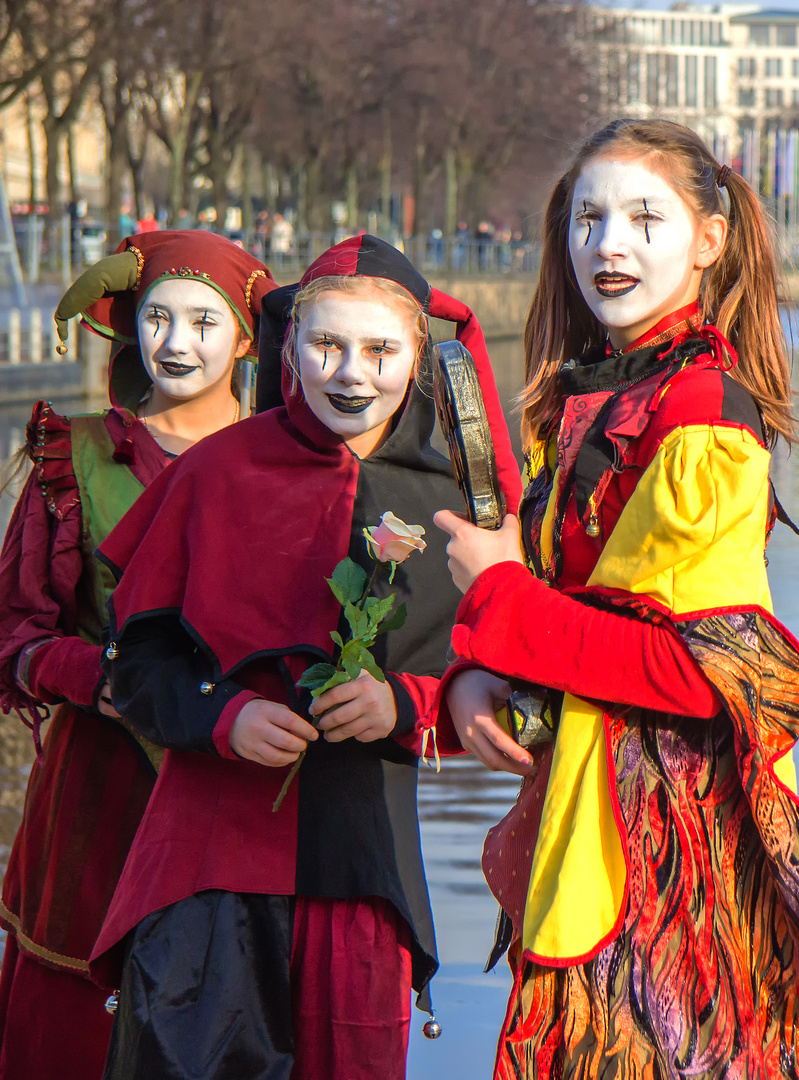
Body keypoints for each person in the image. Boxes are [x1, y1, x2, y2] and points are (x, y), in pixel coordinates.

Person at [433, 118, 799, 1079]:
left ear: (708, 242)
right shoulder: (592, 395)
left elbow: (692, 672)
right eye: (588, 218)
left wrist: (499, 602)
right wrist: (470, 675)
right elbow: (574, 603)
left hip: (675, 845)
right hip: (591, 814)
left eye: (643, 217)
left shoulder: (705, 413)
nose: (609, 243)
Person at [87, 235, 521, 1079]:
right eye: (327, 345)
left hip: (361, 874)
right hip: (205, 872)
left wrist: (404, 705)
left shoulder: (462, 508)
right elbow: (133, 666)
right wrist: (225, 715)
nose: (351, 374)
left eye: (380, 351)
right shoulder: (217, 470)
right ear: (288, 346)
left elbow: (507, 690)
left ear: (419, 358)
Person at [0, 230, 275, 1079]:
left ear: (244, 338)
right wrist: (98, 679)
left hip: (244, 791)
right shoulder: (72, 455)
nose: (176, 342)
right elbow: (14, 635)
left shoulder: (295, 460)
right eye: (157, 318)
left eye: (202, 320)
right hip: (101, 796)